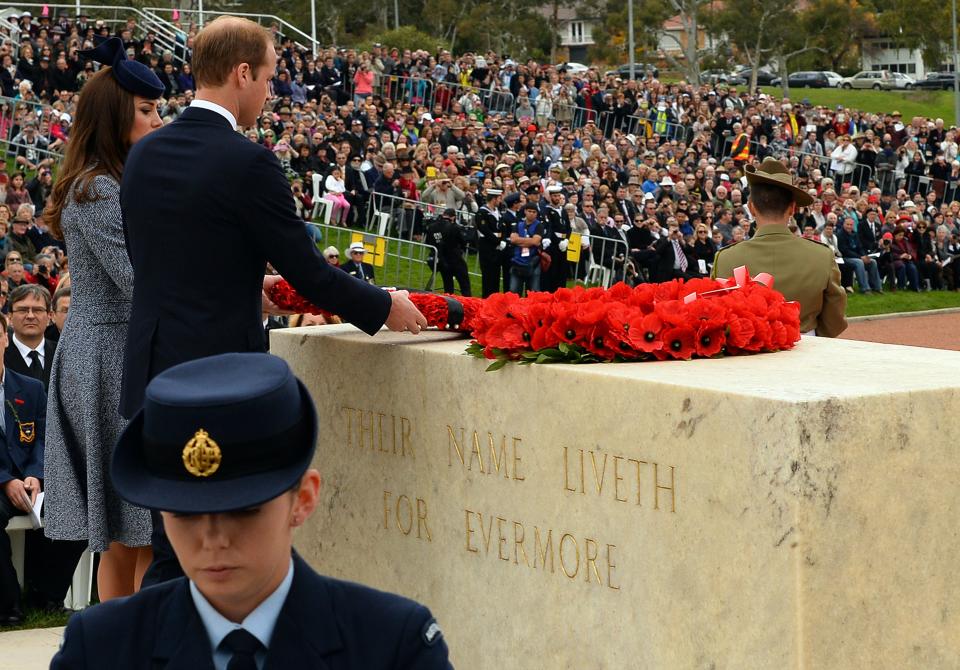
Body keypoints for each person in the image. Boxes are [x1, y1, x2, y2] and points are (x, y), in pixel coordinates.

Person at [118, 17, 427, 586]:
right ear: (241, 74)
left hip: (152, 374)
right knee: (219, 547)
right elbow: (308, 271)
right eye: (266, 77)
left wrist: (240, 285)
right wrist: (384, 307)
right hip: (217, 376)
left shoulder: (144, 154)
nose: (268, 91)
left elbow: (161, 264)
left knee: (173, 543)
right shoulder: (248, 162)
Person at [50, 353, 452, 668]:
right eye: (185, 513)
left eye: (244, 510)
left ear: (304, 499)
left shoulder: (391, 645)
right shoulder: (102, 648)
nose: (214, 538)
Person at [41, 37, 165, 602]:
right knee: (138, 532)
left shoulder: (107, 182)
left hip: (109, 353)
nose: (158, 119)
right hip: (108, 358)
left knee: (126, 533)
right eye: (146, 110)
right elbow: (140, 280)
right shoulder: (98, 189)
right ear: (114, 114)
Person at [0, 310, 84, 623]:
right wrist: (5, 481)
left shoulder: (30, 388)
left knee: (80, 510)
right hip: (2, 484)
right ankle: (9, 605)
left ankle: (47, 595)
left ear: (5, 339)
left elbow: (45, 439)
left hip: (32, 481)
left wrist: (36, 475)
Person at [713, 157, 847, 337]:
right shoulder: (822, 256)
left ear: (751, 208)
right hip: (806, 351)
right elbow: (834, 321)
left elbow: (716, 315)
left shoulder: (725, 258)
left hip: (747, 356)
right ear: (792, 208)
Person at [4, 285, 56, 390]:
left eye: (37, 310)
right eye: (23, 310)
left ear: (49, 316)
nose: (30, 316)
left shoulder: (61, 353)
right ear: (10, 316)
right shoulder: (2, 354)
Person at [427, 207, 472, 295]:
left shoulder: (432, 226)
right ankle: (468, 305)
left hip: (441, 259)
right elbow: (463, 241)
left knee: (448, 287)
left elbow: (429, 243)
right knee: (464, 285)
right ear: (453, 217)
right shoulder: (454, 227)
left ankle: (450, 305)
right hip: (455, 259)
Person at [508, 203, 543, 295]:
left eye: (534, 212)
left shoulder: (539, 226)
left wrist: (520, 241)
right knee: (514, 290)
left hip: (533, 261)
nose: (531, 213)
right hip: (517, 261)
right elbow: (513, 239)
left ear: (536, 214)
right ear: (525, 211)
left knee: (533, 292)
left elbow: (536, 241)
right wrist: (529, 241)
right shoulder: (518, 225)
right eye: (529, 211)